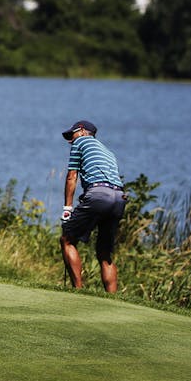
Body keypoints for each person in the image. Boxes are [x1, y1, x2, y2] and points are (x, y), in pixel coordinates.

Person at [59, 120, 125, 292]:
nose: (69, 141)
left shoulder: (80, 141)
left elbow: (72, 176)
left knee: (67, 239)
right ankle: (113, 299)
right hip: (119, 197)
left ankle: (78, 292)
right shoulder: (109, 152)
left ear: (81, 131)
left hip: (99, 194)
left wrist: (67, 208)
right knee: (104, 253)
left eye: (71, 135)